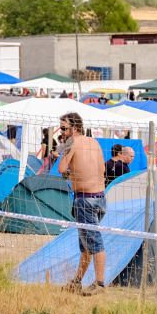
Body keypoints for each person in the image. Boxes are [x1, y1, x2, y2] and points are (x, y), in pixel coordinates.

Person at [52, 112, 106, 296]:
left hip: (85, 199)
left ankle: (99, 284)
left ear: (75, 128)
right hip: (100, 198)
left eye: (65, 128)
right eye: (61, 128)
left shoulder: (72, 143)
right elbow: (102, 169)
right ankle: (76, 281)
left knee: (95, 243)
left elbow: (60, 169)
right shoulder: (94, 142)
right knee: (86, 245)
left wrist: (68, 169)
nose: (62, 133)